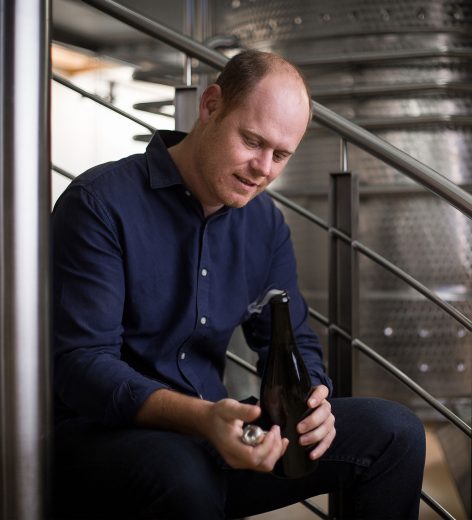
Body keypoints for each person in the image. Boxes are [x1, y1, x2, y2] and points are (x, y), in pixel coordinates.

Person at [52, 50, 425, 519]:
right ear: (210, 107)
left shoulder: (265, 223)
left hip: (216, 430)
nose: (264, 168)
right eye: (252, 141)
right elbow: (82, 367)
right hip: (108, 437)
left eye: (282, 154)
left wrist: (314, 402)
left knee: (395, 432)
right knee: (182, 478)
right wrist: (203, 419)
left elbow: (290, 340)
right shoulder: (99, 204)